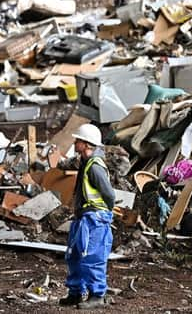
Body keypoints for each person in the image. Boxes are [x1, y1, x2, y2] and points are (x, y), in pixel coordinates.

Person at [58, 123, 115, 310]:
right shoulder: (85, 162)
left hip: (94, 218)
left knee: (92, 256)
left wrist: (105, 213)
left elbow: (109, 195)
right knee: (74, 255)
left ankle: (97, 294)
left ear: (87, 144)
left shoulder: (94, 167)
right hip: (83, 217)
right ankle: (76, 292)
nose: (75, 142)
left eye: (78, 140)